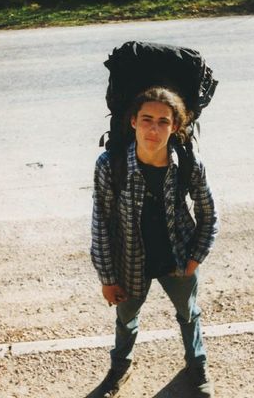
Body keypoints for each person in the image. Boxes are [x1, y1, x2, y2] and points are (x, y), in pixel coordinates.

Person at [91, 86, 219, 397]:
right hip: (129, 261)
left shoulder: (188, 164)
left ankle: (196, 364)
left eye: (163, 121)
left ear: (175, 126)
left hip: (178, 257)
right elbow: (101, 223)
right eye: (147, 119)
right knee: (126, 318)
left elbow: (208, 213)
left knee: (188, 313)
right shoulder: (111, 164)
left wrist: (196, 257)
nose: (154, 129)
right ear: (133, 121)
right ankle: (120, 368)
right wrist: (107, 278)